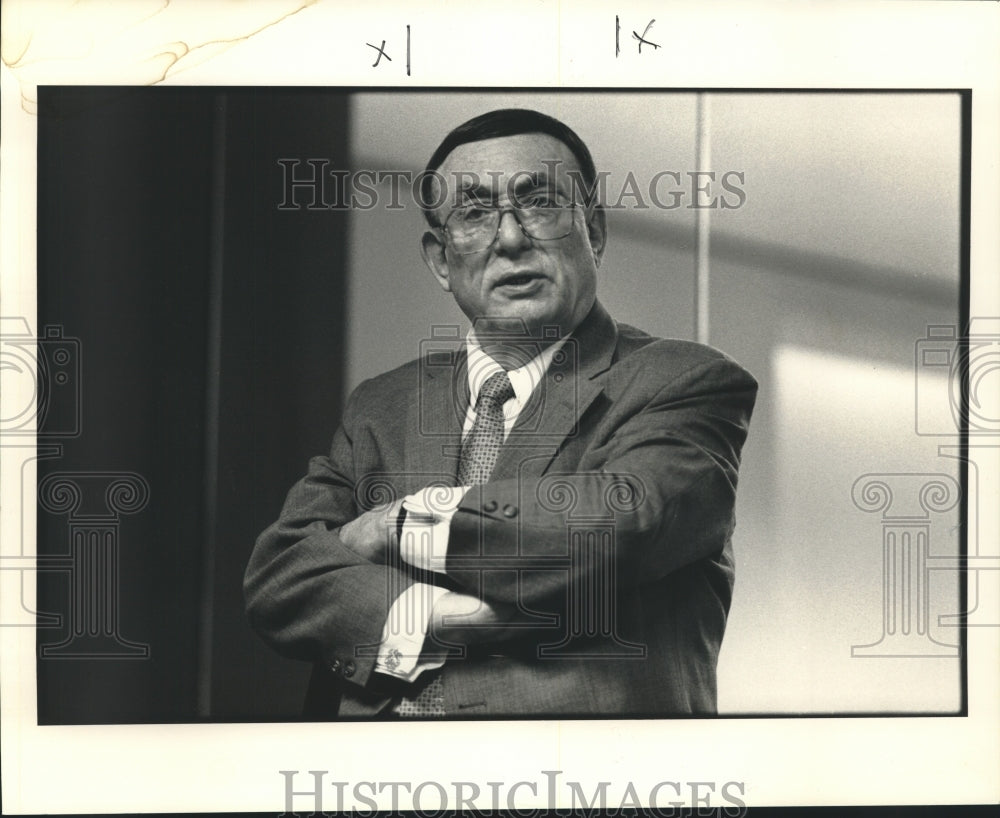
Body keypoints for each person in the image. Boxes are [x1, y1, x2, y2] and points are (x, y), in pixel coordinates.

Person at [244, 108, 757, 718]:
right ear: (440, 260)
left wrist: (395, 525)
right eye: (474, 212)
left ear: (592, 231)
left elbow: (616, 526)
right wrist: (436, 620)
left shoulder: (683, 380)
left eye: (538, 203)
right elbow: (281, 574)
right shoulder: (381, 405)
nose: (510, 238)